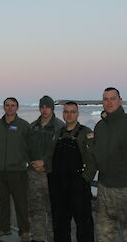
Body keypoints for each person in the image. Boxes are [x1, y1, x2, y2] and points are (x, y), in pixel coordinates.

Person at [34, 101, 95, 242]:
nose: (69, 115)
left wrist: (84, 180)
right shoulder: (58, 132)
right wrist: (46, 169)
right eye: (66, 112)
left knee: (84, 224)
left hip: (78, 186)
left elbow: (92, 161)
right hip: (58, 186)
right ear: (63, 114)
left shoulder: (86, 133)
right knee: (60, 223)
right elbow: (50, 156)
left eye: (72, 112)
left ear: (77, 114)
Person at [0, 97, 30, 242]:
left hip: (18, 170)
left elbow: (29, 145)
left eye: (13, 105)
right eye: (7, 105)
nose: (10, 108)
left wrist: (25, 160)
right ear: (3, 107)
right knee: (2, 201)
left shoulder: (24, 125)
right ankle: (3, 228)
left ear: (17, 108)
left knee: (21, 202)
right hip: (1, 169)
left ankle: (24, 231)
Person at [28, 96, 65, 242]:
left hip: (52, 175)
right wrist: (32, 163)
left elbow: (60, 153)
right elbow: (26, 148)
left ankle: (52, 238)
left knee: (53, 210)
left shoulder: (60, 127)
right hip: (34, 175)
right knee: (35, 209)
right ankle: (38, 238)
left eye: (47, 107)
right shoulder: (32, 127)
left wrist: (45, 163)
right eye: (42, 107)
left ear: (52, 108)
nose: (44, 110)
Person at [93, 87, 127, 242]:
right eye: (105, 99)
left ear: (120, 100)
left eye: (113, 98)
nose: (109, 102)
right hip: (104, 188)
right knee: (103, 234)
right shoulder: (99, 127)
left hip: (124, 188)